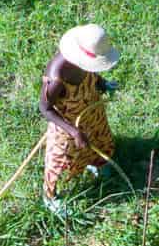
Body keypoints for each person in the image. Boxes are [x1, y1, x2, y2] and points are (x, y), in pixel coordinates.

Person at [40, 23, 120, 218]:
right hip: (68, 125)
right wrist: (74, 132)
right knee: (62, 158)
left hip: (91, 112)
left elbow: (91, 71)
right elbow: (45, 108)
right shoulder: (57, 77)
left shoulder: (84, 61)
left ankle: (98, 163)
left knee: (100, 138)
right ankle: (50, 196)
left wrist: (102, 84)